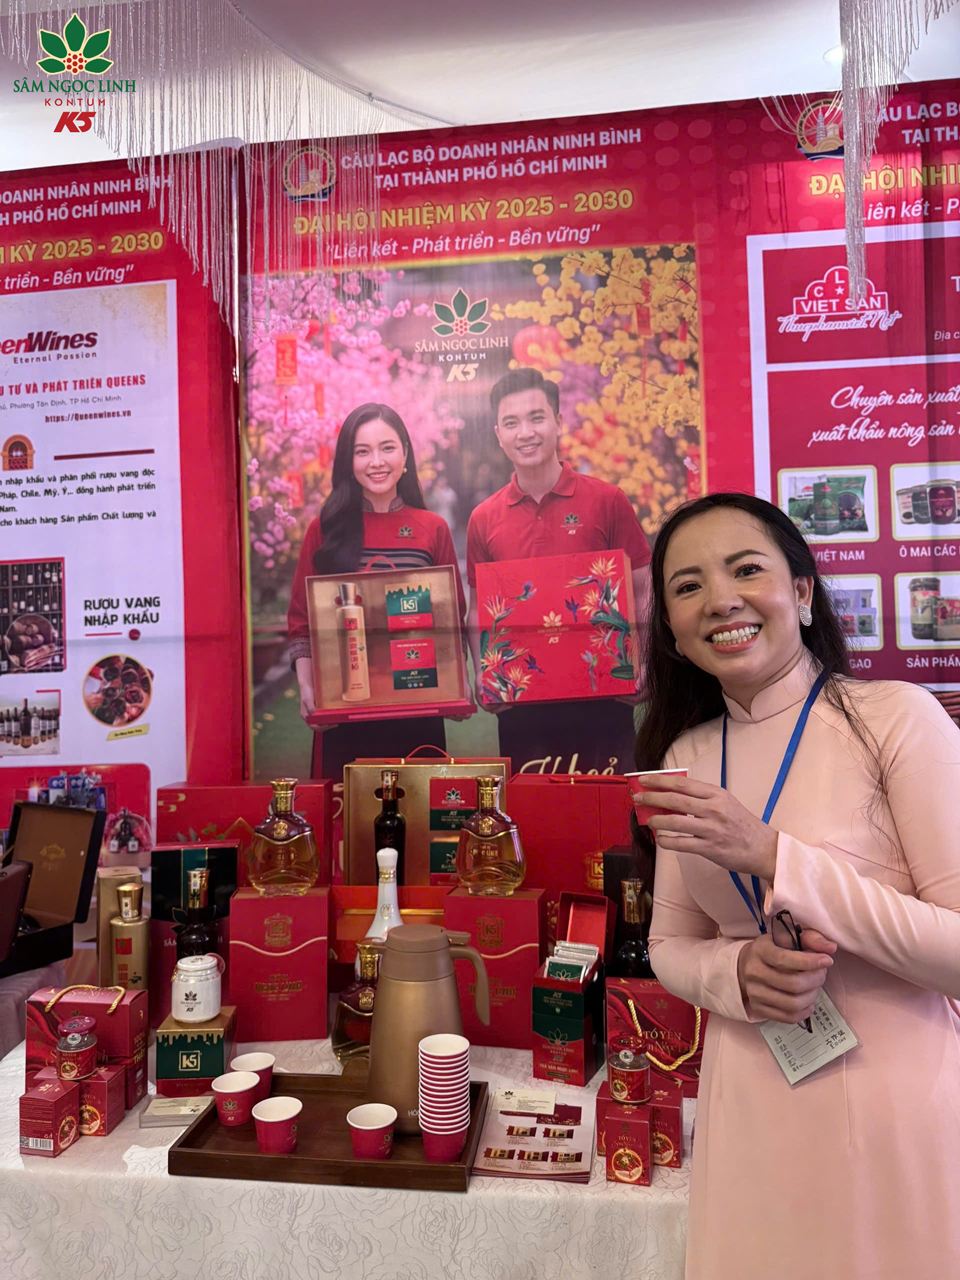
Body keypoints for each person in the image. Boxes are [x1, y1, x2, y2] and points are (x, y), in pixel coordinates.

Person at [631, 492, 960, 1280]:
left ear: (803, 592)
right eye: (688, 586)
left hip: (894, 1109)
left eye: (746, 570)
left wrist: (778, 857)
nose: (721, 600)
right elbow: (669, 943)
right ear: (672, 630)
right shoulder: (683, 754)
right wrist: (736, 971)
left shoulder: (895, 718)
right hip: (748, 1100)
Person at [466, 367, 652, 774]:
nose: (525, 433)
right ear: (498, 434)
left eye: (537, 418)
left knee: (609, 807)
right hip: (521, 703)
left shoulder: (606, 500)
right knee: (532, 808)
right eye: (511, 423)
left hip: (602, 696)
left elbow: (642, 587)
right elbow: (479, 606)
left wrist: (645, 660)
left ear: (558, 422)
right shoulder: (483, 518)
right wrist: (484, 672)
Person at [288, 403, 466, 779]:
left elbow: (453, 619)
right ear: (348, 461)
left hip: (418, 709)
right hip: (344, 712)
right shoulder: (324, 530)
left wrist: (456, 683)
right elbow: (302, 622)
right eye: (362, 451)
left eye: (387, 448)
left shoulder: (432, 528)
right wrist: (307, 687)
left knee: (418, 811)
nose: (377, 462)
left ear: (406, 453)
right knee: (346, 814)